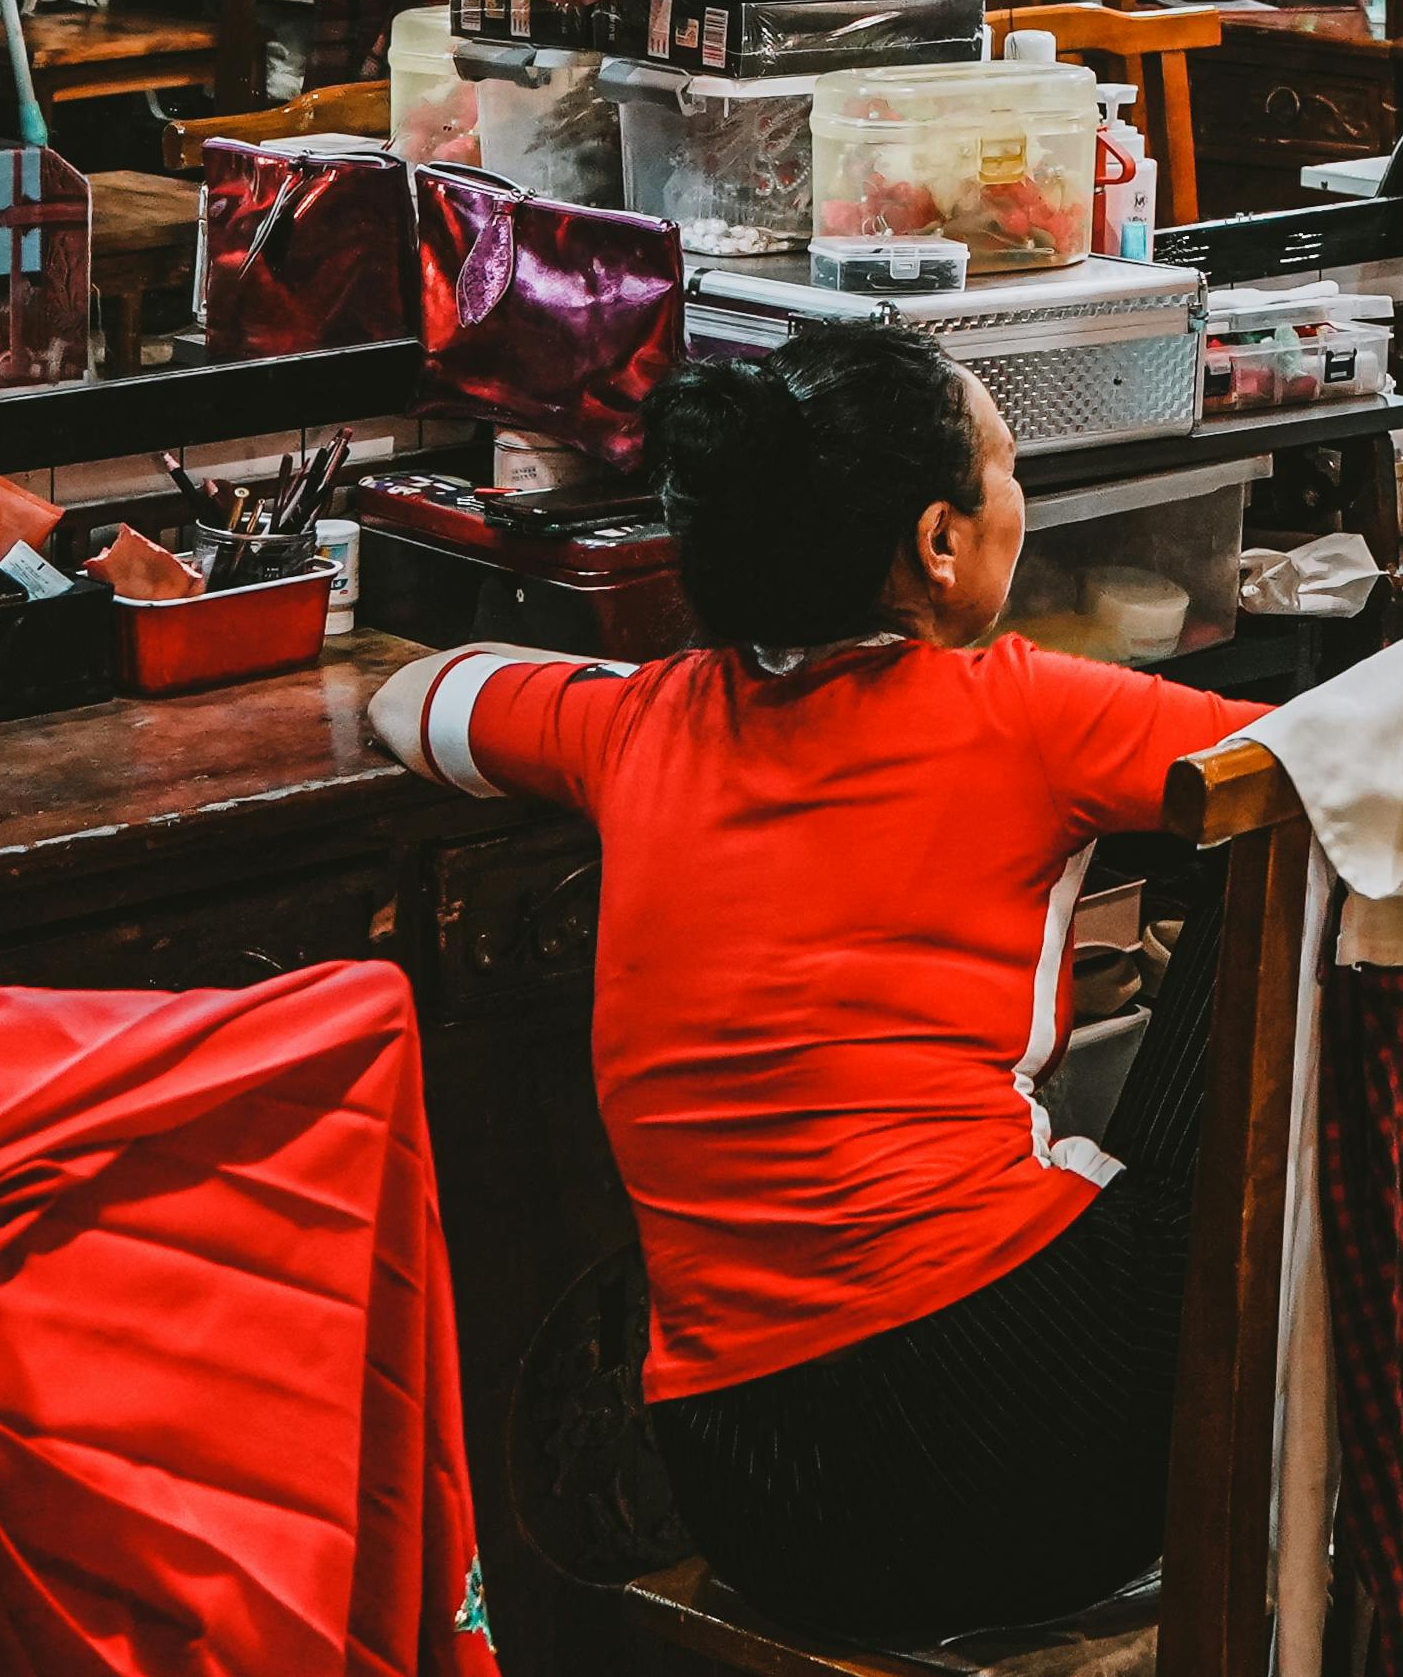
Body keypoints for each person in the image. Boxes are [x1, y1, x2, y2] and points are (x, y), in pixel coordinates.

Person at [365, 321, 1259, 1645]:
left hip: (752, 1499)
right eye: (1007, 471)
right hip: (1024, 1453)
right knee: (1282, 873)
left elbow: (415, 697)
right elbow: (1359, 761)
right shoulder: (1025, 709)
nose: (1024, 502)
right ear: (940, 540)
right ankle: (1377, 1421)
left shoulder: (637, 721)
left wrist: (633, 707)